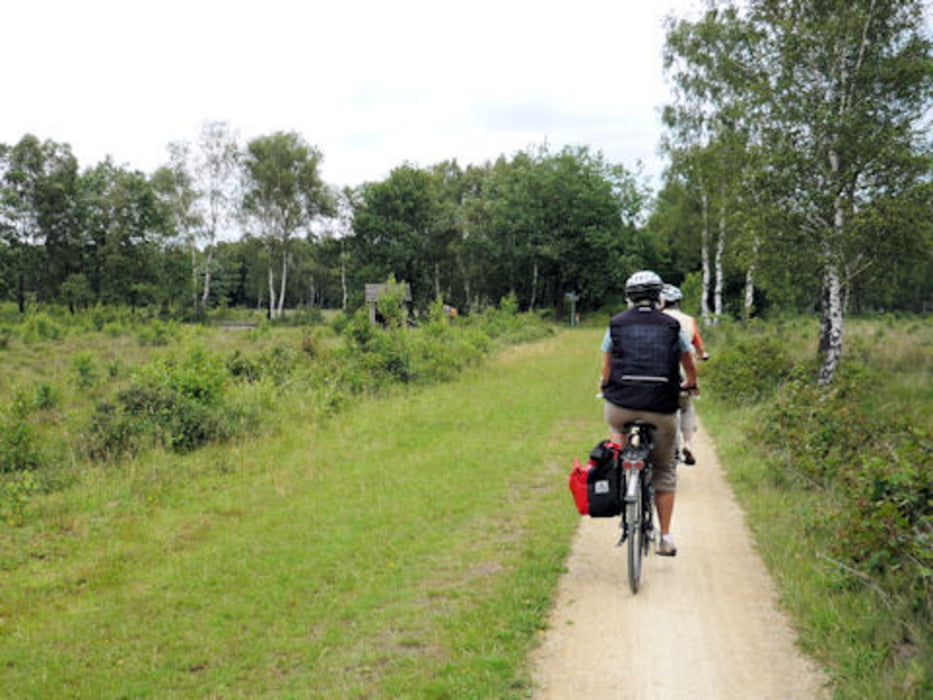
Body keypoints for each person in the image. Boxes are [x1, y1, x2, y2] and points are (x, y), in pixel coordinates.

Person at [599, 271, 698, 556]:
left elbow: (607, 368)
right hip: (661, 407)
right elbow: (688, 363)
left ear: (628, 297)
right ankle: (665, 538)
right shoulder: (670, 326)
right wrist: (690, 382)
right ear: (659, 297)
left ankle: (618, 470)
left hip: (621, 405)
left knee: (617, 430)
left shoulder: (615, 324)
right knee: (665, 469)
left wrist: (606, 385)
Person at [660, 284, 709, 466]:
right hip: (681, 375)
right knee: (686, 407)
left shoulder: (656, 318)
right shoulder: (689, 320)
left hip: (657, 373)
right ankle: (688, 444)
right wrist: (703, 355)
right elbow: (698, 346)